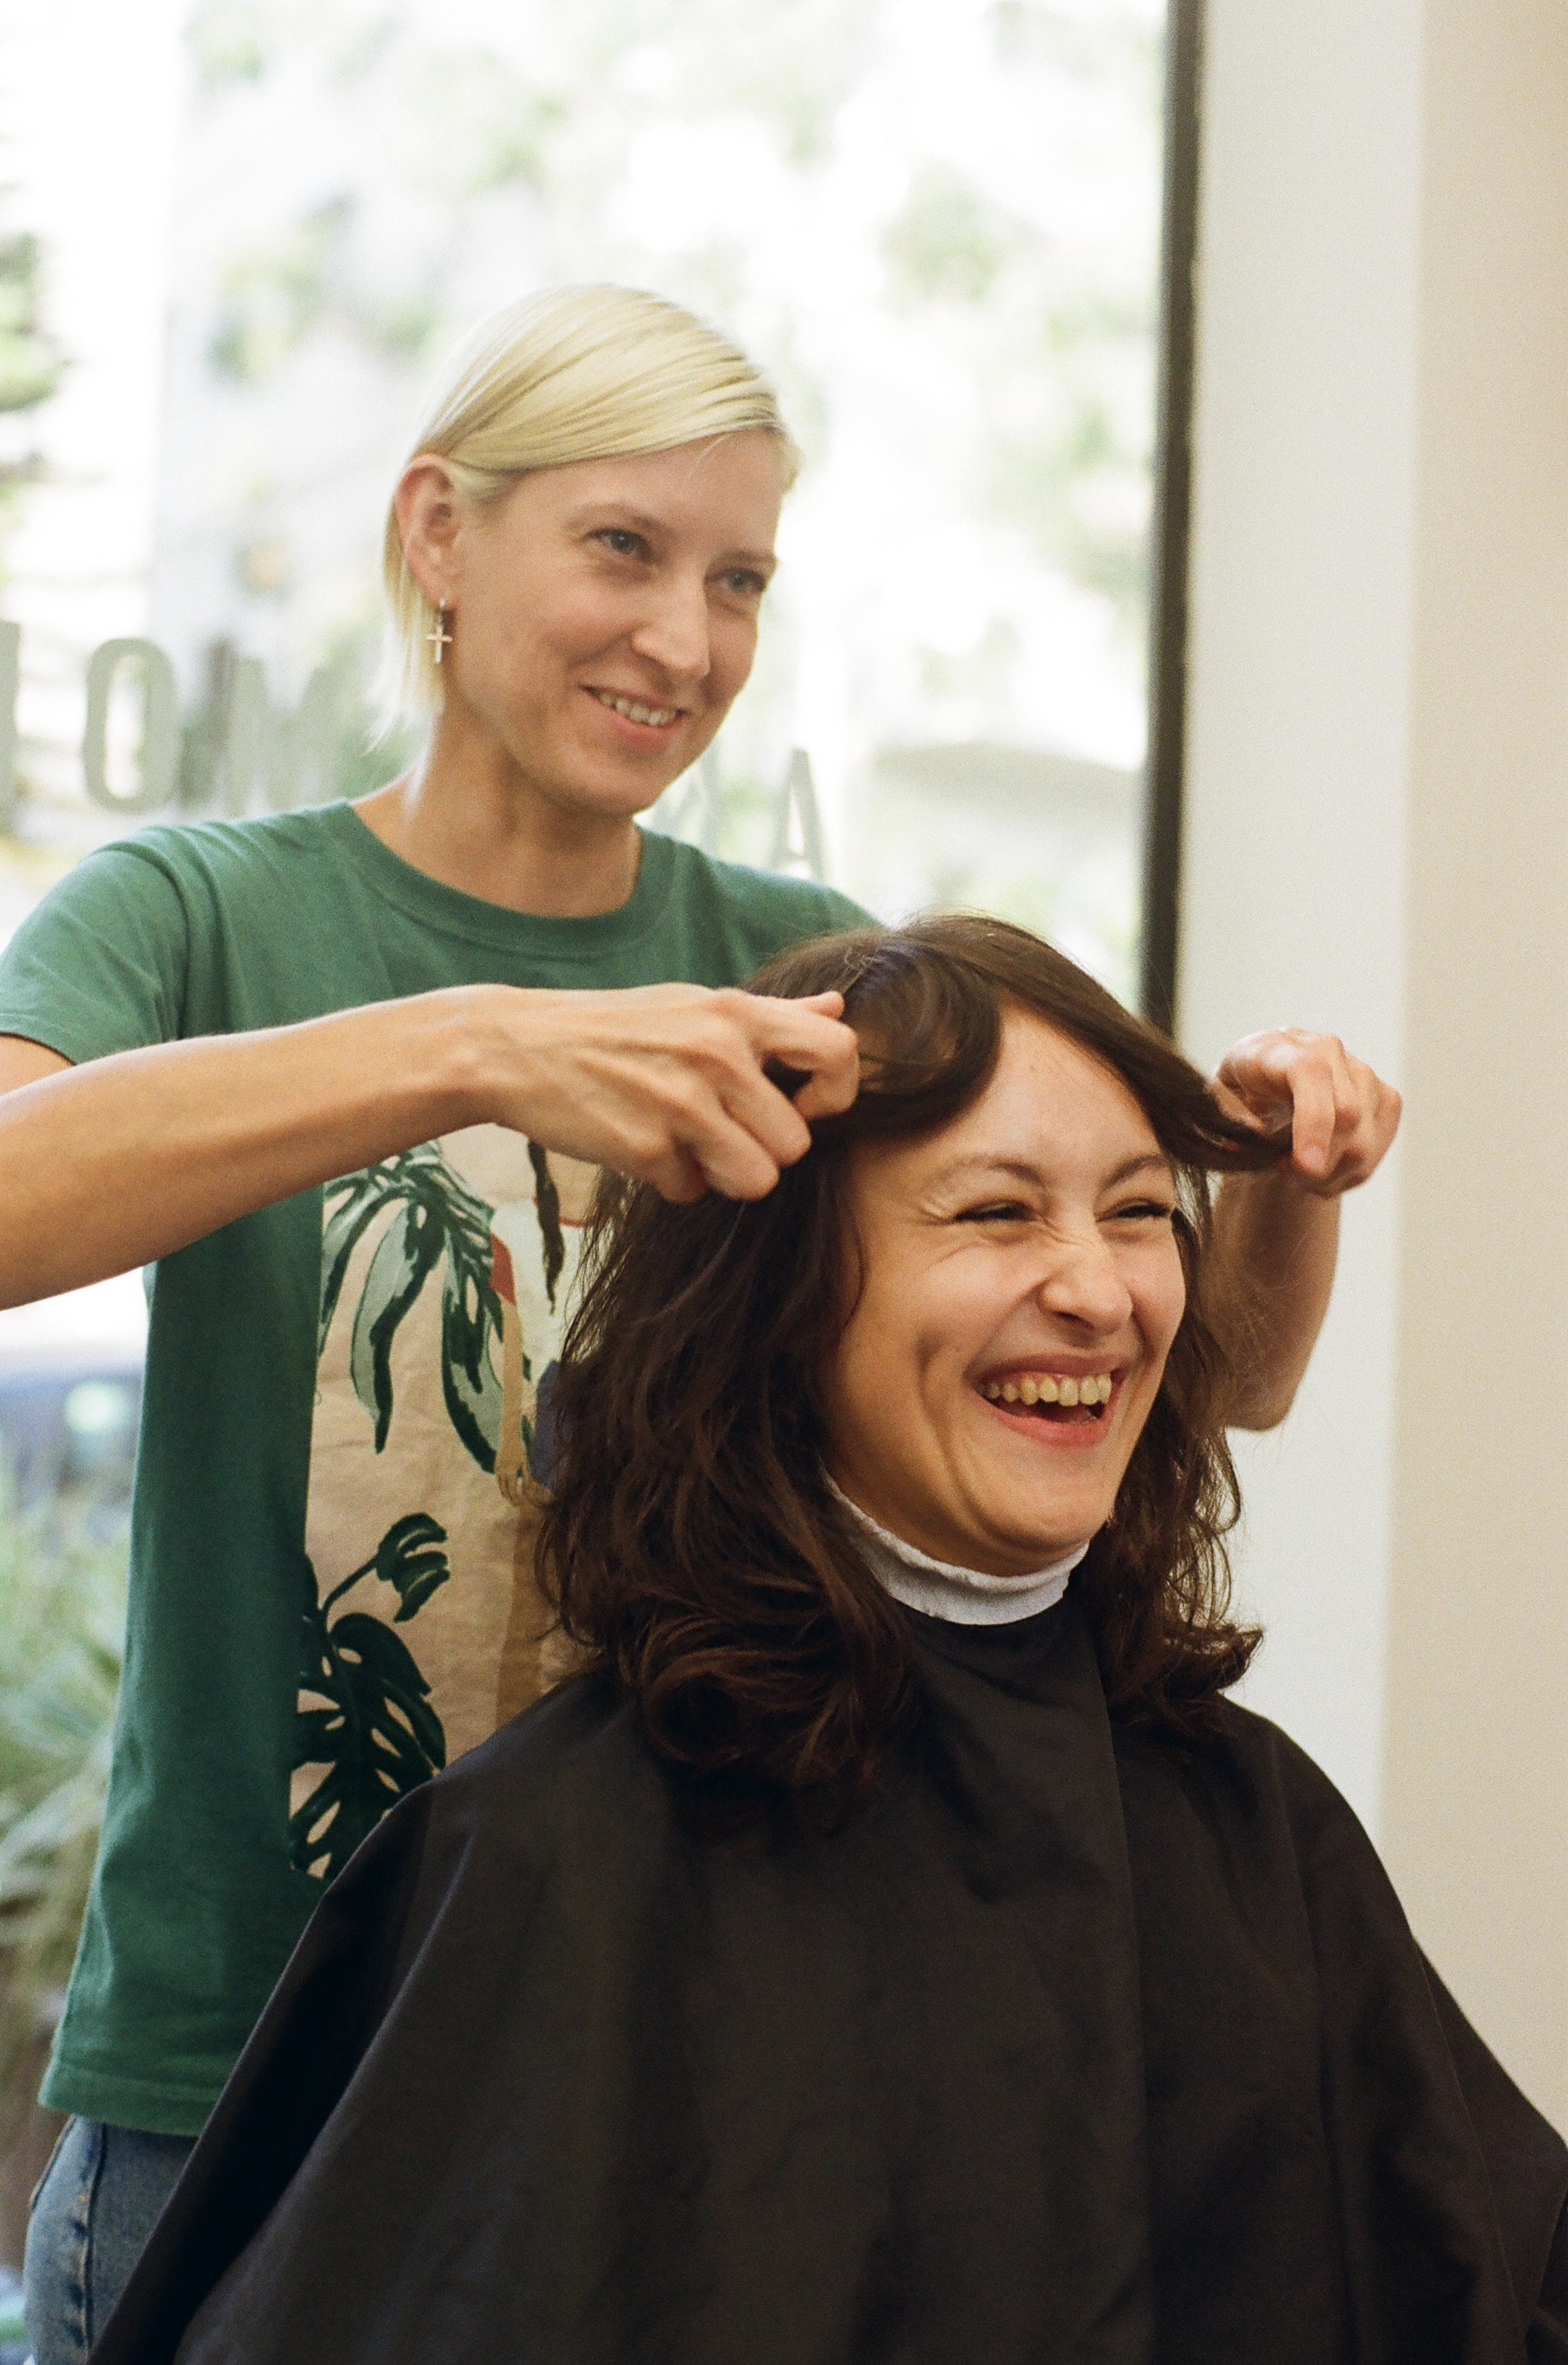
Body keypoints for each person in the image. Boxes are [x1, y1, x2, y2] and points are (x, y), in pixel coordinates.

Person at [0, 289, 1399, 2354]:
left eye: (737, 579)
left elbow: (1198, 1387)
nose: (684, 640)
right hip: (242, 2074)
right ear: (437, 539)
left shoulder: (795, 961)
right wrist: (478, 1047)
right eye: (624, 551)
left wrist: (1280, 1186)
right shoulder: (198, 918)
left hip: (664, 2053)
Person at [88, 914, 1561, 2365]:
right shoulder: (564, 1859)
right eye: (994, 1211)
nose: (1101, 1291)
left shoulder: (1254, 1829)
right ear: (783, 1301)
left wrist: (1288, 1180)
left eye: (1138, 1210)